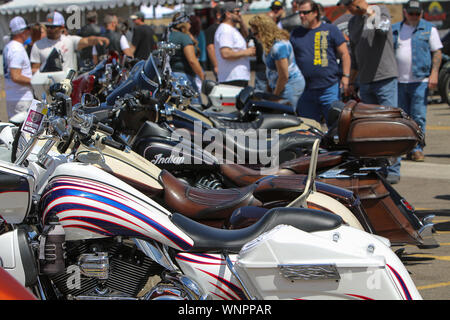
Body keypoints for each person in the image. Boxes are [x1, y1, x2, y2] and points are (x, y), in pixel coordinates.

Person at [340, 0, 400, 183]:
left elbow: (382, 30)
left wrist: (369, 13)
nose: (347, 9)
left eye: (349, 5)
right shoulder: (352, 22)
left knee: (390, 124)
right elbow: (355, 51)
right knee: (371, 127)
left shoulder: (380, 11)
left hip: (384, 78)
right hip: (365, 81)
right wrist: (351, 80)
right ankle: (378, 167)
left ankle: (393, 169)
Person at [393, 0, 443, 162]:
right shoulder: (395, 29)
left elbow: (437, 53)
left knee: (418, 117)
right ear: (405, 13)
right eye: (411, 13)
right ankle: (404, 147)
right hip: (399, 81)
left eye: (417, 13)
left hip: (420, 80)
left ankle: (417, 148)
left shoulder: (429, 29)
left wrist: (434, 74)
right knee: (401, 118)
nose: (414, 16)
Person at [290, 0, 351, 124]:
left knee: (336, 127)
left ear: (315, 13)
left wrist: (346, 77)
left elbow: (345, 54)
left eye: (305, 12)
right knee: (308, 128)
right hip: (305, 91)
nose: (301, 16)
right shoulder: (295, 34)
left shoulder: (330, 29)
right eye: (300, 13)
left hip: (329, 89)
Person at [248, 15, 305, 110]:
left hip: (289, 86)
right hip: (279, 85)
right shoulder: (270, 44)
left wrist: (274, 95)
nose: (254, 37)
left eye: (255, 33)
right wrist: (269, 86)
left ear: (264, 31)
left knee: (284, 115)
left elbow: (284, 76)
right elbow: (271, 70)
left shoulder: (278, 47)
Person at [30, 11, 109, 73]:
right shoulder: (38, 45)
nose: (49, 30)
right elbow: (35, 69)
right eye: (48, 27)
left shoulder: (69, 41)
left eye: (53, 27)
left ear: (62, 27)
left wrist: (96, 39)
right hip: (47, 87)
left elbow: (87, 40)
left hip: (67, 86)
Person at [214, 3, 255, 87]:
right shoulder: (226, 30)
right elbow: (225, 53)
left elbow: (246, 35)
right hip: (232, 78)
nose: (239, 14)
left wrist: (241, 20)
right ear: (228, 14)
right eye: (237, 12)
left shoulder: (232, 29)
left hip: (237, 77)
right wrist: (246, 52)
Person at [168, 13, 205, 105]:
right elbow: (192, 60)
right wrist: (203, 77)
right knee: (196, 108)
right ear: (184, 23)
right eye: (188, 22)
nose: (190, 25)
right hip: (184, 78)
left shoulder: (170, 35)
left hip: (173, 76)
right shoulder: (183, 37)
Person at [3, 16, 33, 120]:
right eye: (28, 29)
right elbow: (15, 76)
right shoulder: (17, 49)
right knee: (25, 134)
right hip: (21, 98)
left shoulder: (9, 46)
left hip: (13, 96)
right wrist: (35, 82)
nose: (29, 32)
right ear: (22, 31)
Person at [205, 6, 222, 79]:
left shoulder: (227, 28)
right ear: (218, 15)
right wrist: (216, 65)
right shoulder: (212, 29)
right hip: (220, 64)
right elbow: (210, 47)